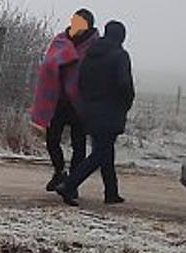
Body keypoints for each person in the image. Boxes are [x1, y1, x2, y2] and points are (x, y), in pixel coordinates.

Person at [58, 20, 135, 207]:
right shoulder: (120, 56)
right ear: (121, 36)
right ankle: (69, 185)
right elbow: (124, 85)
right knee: (100, 153)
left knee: (105, 150)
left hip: (90, 108)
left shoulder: (90, 55)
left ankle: (111, 192)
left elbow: (81, 81)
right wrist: (125, 103)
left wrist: (87, 103)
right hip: (111, 110)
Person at [30, 9, 97, 192]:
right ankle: (59, 171)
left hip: (81, 102)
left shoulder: (94, 46)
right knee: (52, 140)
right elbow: (48, 64)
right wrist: (63, 59)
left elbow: (97, 71)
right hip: (57, 99)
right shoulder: (61, 40)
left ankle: (72, 183)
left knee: (79, 145)